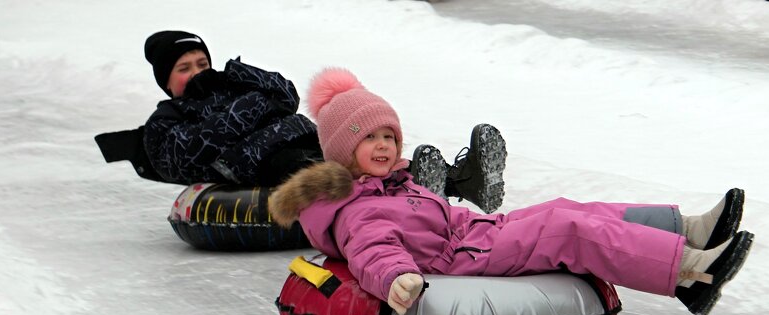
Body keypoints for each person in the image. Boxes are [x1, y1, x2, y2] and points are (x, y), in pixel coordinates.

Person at [268, 68, 755, 315]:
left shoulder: (394, 182)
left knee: (567, 208)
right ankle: (690, 275)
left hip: (477, 235)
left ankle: (687, 229)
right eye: (368, 138)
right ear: (340, 152)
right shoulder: (357, 209)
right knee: (568, 231)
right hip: (465, 260)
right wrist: (397, 280)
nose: (383, 146)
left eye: (388, 136)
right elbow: (374, 252)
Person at [137, 30, 506, 212]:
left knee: (370, 149)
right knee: (338, 174)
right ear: (166, 80)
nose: (198, 73)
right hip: (257, 164)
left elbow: (285, 94)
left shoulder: (229, 86)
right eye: (184, 69)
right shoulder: (167, 120)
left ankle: (461, 179)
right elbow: (192, 153)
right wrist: (248, 104)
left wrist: (235, 73)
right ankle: (411, 197)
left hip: (302, 135)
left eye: (203, 63)